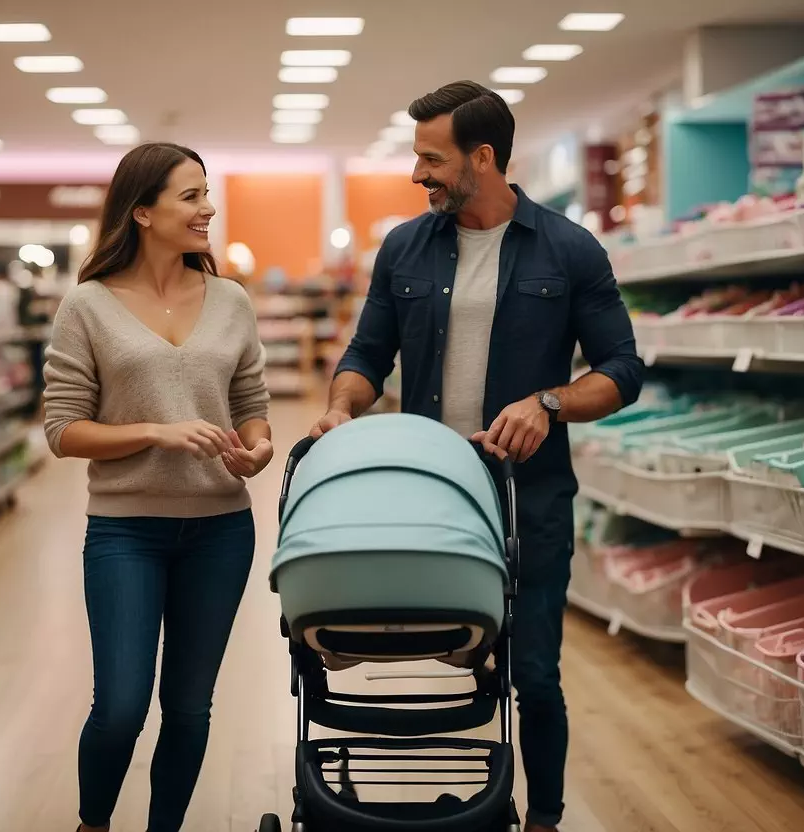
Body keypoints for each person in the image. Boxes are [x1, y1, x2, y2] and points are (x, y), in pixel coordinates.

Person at [311, 81, 643, 831]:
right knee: (434, 646)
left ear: (482, 157)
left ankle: (544, 819)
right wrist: (340, 407)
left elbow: (621, 369)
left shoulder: (567, 247)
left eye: (431, 158)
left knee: (534, 673)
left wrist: (548, 402)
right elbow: (368, 352)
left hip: (529, 493)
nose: (416, 173)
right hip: (432, 491)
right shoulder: (405, 246)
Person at [42, 142, 274, 832]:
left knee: (190, 706)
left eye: (207, 194)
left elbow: (249, 400)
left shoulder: (230, 300)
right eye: (190, 196)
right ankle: (93, 824)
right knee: (119, 706)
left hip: (221, 530)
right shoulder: (87, 306)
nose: (207, 209)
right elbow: (62, 430)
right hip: (125, 531)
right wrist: (153, 432)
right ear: (141, 211)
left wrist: (258, 448)